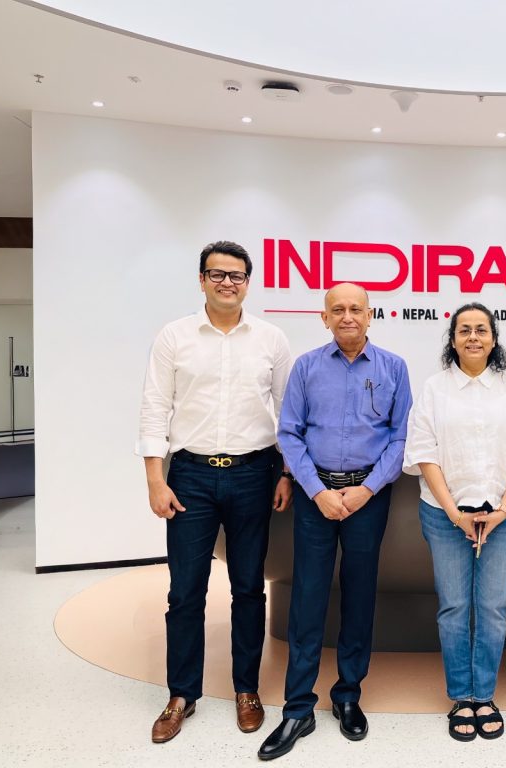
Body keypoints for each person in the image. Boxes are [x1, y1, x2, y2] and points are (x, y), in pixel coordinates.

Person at [137, 240, 293, 743]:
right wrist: (155, 479)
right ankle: (181, 694)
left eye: (237, 275)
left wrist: (286, 473)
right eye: (217, 274)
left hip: (254, 474)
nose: (228, 282)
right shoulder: (174, 336)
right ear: (202, 280)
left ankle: (247, 689)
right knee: (185, 591)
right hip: (191, 477)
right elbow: (154, 408)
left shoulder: (271, 339)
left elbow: (288, 413)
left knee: (248, 588)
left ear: (248, 282)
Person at [257, 283, 411, 759]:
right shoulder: (306, 367)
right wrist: (317, 491)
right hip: (315, 496)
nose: (347, 316)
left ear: (370, 315)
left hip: (369, 495)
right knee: (308, 597)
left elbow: (401, 437)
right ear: (324, 318)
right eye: (337, 309)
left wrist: (367, 489)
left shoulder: (394, 368)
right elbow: (290, 433)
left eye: (355, 309)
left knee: (360, 595)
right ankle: (298, 708)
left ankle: (347, 696)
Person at [404, 303, 506, 742]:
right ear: (452, 339)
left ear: (493, 338)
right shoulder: (435, 388)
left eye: (481, 330)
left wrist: (503, 509)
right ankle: (460, 697)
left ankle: (484, 696)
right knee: (453, 607)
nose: (473, 337)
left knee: (491, 607)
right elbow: (423, 452)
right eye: (464, 330)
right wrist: (455, 513)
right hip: (445, 514)